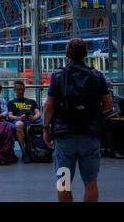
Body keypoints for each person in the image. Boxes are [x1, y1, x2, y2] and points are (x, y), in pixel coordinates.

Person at [43, 38, 113, 202]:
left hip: (65, 136)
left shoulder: (58, 76)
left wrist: (46, 129)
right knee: (90, 181)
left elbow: (49, 105)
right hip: (90, 135)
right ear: (85, 55)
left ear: (67, 54)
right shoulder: (97, 76)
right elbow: (109, 105)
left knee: (64, 182)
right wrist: (93, 114)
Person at [8, 80, 42, 163]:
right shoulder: (11, 102)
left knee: (44, 124)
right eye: (19, 90)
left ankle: (42, 150)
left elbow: (38, 113)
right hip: (19, 120)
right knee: (19, 125)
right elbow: (10, 116)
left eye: (22, 89)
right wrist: (20, 118)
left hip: (31, 119)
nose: (21, 91)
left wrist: (34, 117)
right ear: (15, 90)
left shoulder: (31, 101)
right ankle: (24, 152)